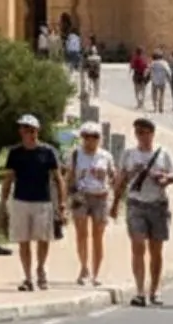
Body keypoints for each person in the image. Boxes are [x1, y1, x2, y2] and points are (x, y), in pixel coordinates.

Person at [113, 116, 173, 307]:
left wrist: (163, 177)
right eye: (138, 132)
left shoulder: (163, 154)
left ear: (152, 133)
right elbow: (121, 178)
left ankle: (155, 290)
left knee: (156, 250)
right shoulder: (129, 154)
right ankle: (140, 291)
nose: (141, 136)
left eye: (144, 132)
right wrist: (115, 203)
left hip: (157, 204)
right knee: (138, 245)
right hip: (136, 204)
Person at [2, 113, 66, 291]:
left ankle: (41, 270)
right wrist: (3, 203)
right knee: (23, 240)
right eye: (24, 129)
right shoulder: (15, 153)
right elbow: (8, 179)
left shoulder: (47, 152)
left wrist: (62, 203)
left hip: (43, 201)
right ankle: (27, 277)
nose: (28, 133)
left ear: (37, 131)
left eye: (31, 130)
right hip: (21, 201)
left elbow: (58, 178)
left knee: (43, 239)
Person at [66, 122, 115, 286]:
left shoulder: (106, 156)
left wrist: (111, 190)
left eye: (94, 136)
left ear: (100, 138)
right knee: (81, 234)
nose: (90, 139)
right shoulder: (75, 154)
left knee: (98, 236)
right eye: (86, 136)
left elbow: (114, 176)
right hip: (81, 196)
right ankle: (83, 267)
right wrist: (66, 198)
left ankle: (97, 272)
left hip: (100, 197)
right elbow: (69, 176)